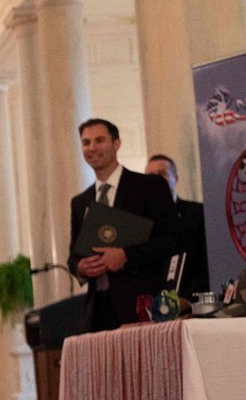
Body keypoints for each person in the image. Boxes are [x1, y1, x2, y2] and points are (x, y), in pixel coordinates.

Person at [67, 119, 179, 332]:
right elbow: (73, 256)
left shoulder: (149, 187)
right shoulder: (80, 202)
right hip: (97, 311)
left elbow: (173, 240)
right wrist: (80, 267)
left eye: (99, 140)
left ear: (116, 144)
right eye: (86, 142)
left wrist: (126, 255)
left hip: (142, 305)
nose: (92, 147)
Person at [144, 154, 210, 298]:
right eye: (150, 176)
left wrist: (186, 300)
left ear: (176, 178)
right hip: (151, 302)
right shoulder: (140, 219)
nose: (155, 180)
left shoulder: (197, 213)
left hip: (190, 301)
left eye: (162, 174)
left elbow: (207, 263)